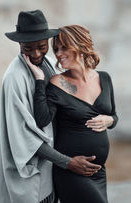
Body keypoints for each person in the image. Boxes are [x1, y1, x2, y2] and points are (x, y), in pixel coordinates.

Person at [0, 10, 101, 203]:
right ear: (19, 44)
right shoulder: (14, 78)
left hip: (53, 171)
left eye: (42, 47)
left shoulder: (51, 64)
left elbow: (73, 99)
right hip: (31, 176)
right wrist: (68, 163)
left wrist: (109, 118)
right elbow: (25, 138)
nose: (36, 53)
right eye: (28, 48)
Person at [24, 24, 119, 203]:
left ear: (80, 45)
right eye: (56, 49)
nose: (58, 54)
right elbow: (42, 119)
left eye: (63, 48)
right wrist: (39, 81)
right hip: (71, 171)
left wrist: (109, 120)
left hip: (98, 172)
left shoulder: (104, 78)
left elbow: (114, 116)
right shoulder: (58, 83)